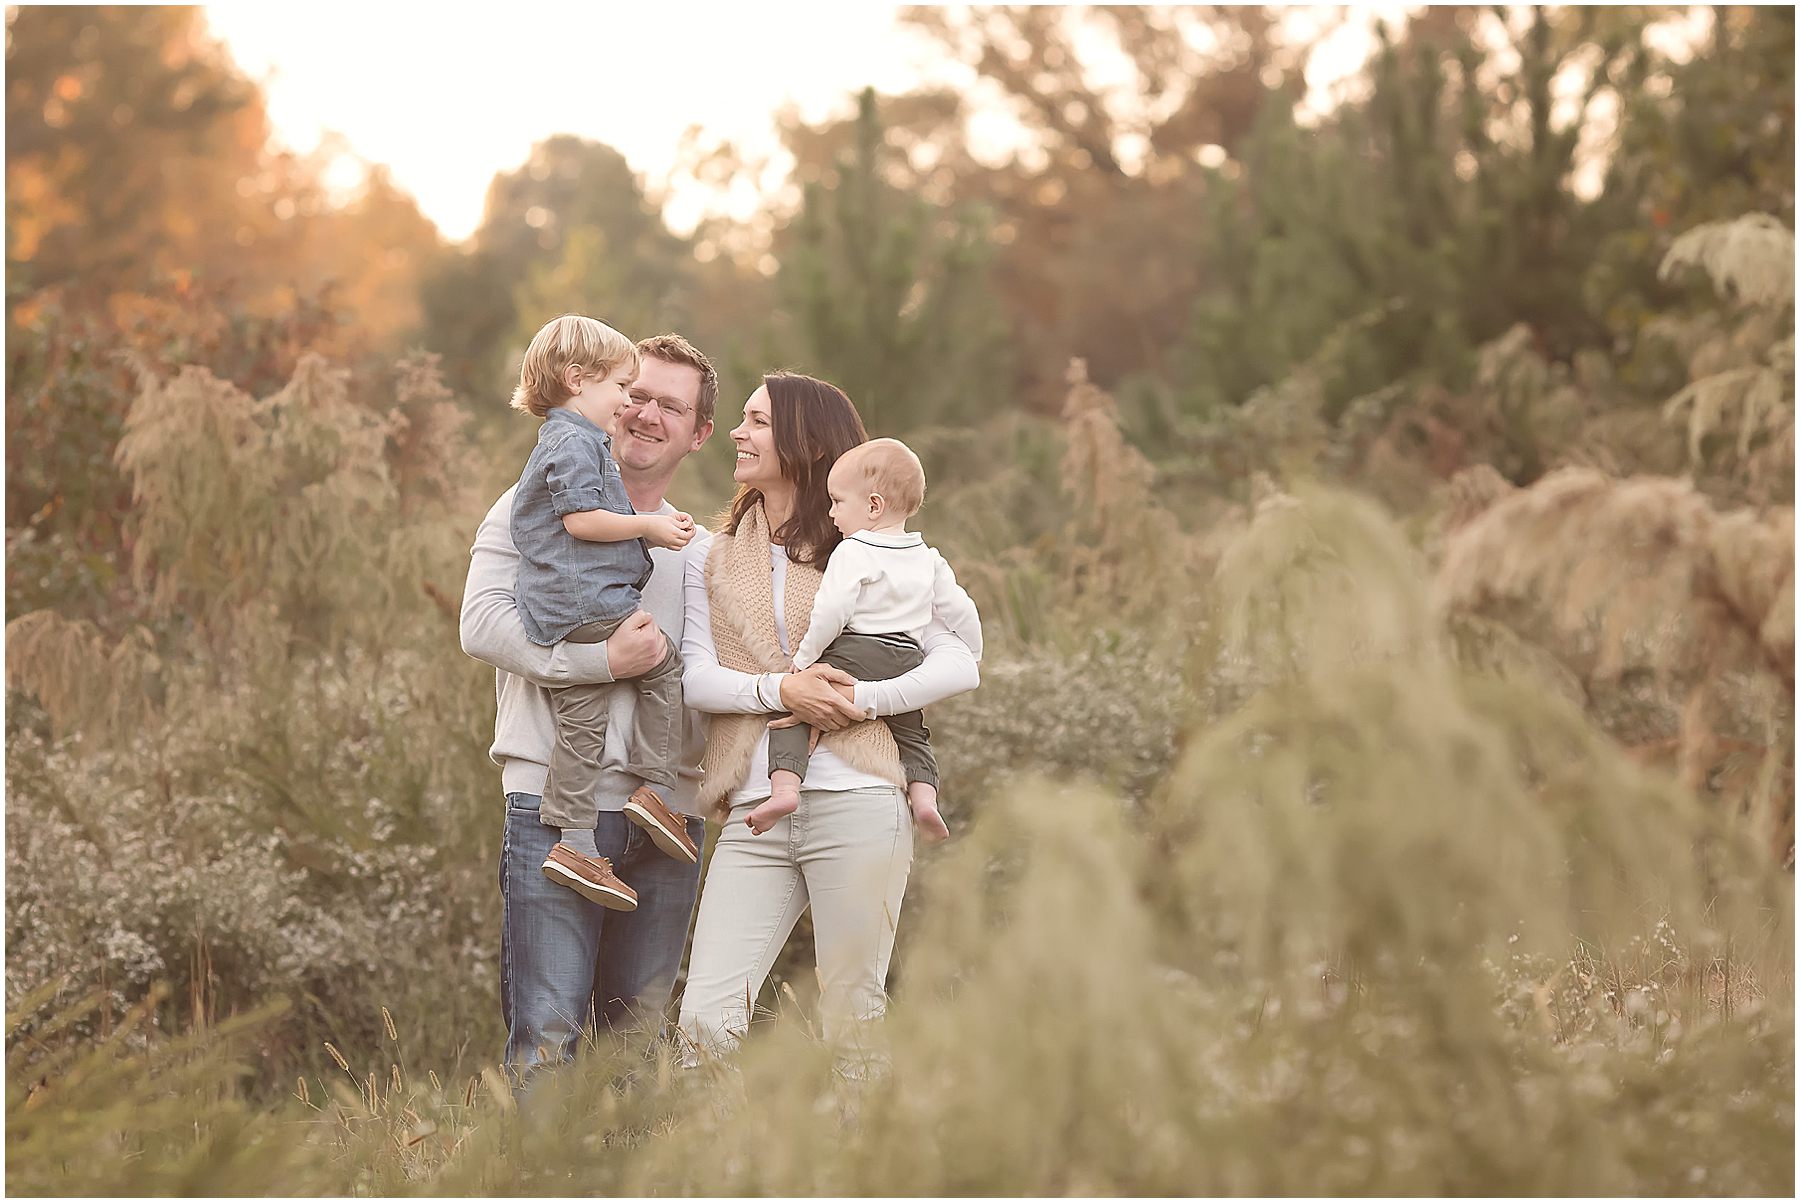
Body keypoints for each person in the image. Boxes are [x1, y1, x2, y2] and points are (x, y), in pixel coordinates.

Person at [676, 373, 982, 1067]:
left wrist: (861, 701)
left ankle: (864, 1169)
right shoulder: (716, 556)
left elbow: (960, 659)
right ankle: (717, 1171)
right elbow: (697, 676)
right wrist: (785, 690)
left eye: (756, 421)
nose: (736, 431)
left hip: (860, 800)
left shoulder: (876, 550)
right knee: (704, 1018)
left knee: (854, 1013)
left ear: (804, 441)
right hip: (758, 807)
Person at [463, 332, 736, 1073]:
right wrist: (597, 660)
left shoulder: (704, 553)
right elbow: (481, 625)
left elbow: (729, 678)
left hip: (668, 821)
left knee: (636, 1051)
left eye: (669, 407)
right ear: (610, 394)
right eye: (637, 393)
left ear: (699, 433)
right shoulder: (531, 506)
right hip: (552, 809)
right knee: (546, 1039)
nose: (645, 413)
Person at [505, 315, 696, 910]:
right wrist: (651, 528)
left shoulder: (568, 441)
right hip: (585, 603)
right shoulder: (574, 442)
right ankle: (655, 787)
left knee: (581, 726)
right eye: (622, 387)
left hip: (564, 609)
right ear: (576, 379)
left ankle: (576, 843)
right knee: (664, 667)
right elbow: (580, 521)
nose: (625, 405)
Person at [751, 437, 981, 841]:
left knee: (796, 711)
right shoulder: (928, 557)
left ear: (873, 506)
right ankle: (925, 799)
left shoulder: (854, 550)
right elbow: (960, 608)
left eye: (838, 501)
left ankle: (784, 789)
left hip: (859, 649)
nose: (832, 512)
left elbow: (832, 611)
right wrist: (973, 649)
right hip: (909, 656)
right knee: (912, 733)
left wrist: (805, 659)